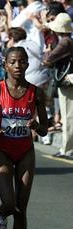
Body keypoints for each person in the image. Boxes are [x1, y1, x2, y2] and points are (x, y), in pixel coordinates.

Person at [0, 47, 48, 229]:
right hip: (3, 151)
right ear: (6, 65)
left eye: (22, 61)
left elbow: (44, 130)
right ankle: (1, 213)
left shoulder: (36, 93)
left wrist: (36, 126)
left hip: (25, 151)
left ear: (28, 64)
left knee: (21, 208)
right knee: (10, 204)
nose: (18, 66)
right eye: (13, 62)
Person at [42, 13, 73, 158]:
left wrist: (47, 53)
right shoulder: (67, 40)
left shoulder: (64, 42)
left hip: (68, 80)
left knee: (67, 115)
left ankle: (67, 149)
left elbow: (49, 59)